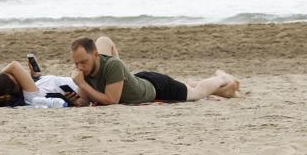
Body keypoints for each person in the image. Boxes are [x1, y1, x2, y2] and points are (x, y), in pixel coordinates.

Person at [69, 36, 241, 106]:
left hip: (156, 87)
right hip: (138, 80)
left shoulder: (113, 65)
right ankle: (227, 90)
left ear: (96, 55)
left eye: (84, 62)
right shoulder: (85, 69)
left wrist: (83, 84)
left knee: (196, 93)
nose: (80, 67)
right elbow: (84, 102)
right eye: (77, 63)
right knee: (187, 88)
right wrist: (75, 98)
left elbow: (111, 100)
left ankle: (222, 78)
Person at [0, 59, 82, 108]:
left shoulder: (30, 92)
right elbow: (14, 66)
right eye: (16, 78)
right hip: (82, 83)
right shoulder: (31, 95)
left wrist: (33, 77)